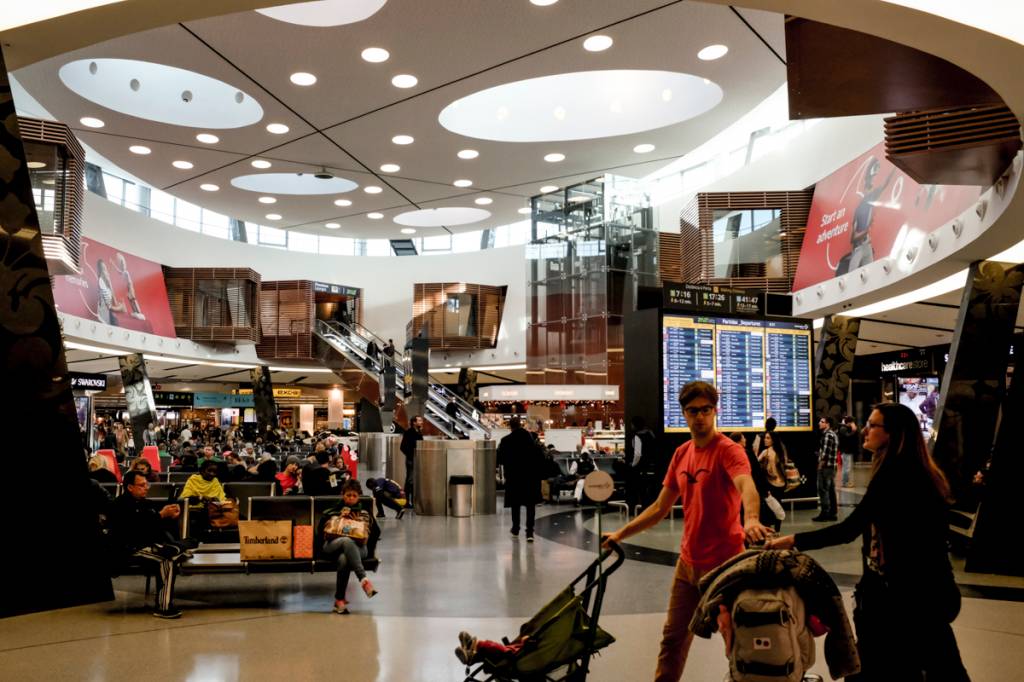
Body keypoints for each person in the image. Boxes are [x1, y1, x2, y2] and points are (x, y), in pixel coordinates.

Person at [766, 403, 969, 680]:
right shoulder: (911, 470)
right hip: (915, 596)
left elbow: (850, 529)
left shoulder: (896, 474)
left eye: (873, 425)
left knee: (897, 667)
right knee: (935, 665)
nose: (864, 429)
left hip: (908, 601)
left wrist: (793, 540)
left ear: (893, 434)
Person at [601, 381, 770, 682]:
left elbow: (746, 485)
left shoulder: (729, 451)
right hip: (687, 566)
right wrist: (619, 535)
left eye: (706, 410)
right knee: (673, 640)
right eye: (693, 411)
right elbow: (658, 508)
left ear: (715, 411)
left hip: (726, 566)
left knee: (737, 643)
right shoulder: (681, 454)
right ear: (684, 414)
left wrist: (752, 519)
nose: (700, 417)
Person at [108, 469, 188, 619]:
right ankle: (164, 607)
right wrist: (160, 515)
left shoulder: (146, 504)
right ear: (130, 487)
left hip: (144, 546)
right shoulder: (119, 506)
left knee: (168, 556)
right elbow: (132, 531)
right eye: (142, 485)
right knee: (166, 559)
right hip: (127, 550)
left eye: (147, 484)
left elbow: (156, 527)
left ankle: (163, 603)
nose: (146, 487)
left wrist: (170, 516)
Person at [318, 480, 379, 614]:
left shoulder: (364, 512)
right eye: (348, 495)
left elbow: (365, 536)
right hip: (332, 545)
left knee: (344, 559)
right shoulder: (334, 509)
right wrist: (340, 518)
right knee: (346, 540)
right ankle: (364, 580)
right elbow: (325, 530)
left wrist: (355, 522)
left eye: (354, 496)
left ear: (358, 496)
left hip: (359, 547)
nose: (351, 498)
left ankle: (339, 600)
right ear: (343, 495)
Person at [497, 416, 544, 541]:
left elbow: (500, 459)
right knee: (530, 505)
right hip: (530, 477)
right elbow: (540, 457)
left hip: (514, 477)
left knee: (515, 504)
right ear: (521, 424)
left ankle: (516, 528)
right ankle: (529, 532)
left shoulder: (505, 441)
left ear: (510, 426)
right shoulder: (531, 439)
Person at [757, 431, 787, 532]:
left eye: (768, 438)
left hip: (774, 484)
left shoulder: (768, 452)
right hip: (778, 483)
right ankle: (776, 531)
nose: (765, 440)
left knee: (773, 509)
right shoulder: (779, 451)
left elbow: (755, 463)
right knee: (776, 508)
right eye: (765, 438)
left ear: (773, 440)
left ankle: (773, 531)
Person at [815, 416, 839, 521]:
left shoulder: (827, 435)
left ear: (827, 424)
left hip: (826, 467)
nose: (819, 423)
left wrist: (820, 466)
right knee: (831, 490)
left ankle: (825, 513)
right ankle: (833, 513)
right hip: (832, 467)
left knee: (822, 489)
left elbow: (825, 454)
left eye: (822, 422)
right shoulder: (833, 434)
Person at [400, 415, 424, 507]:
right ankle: (406, 501)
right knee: (410, 480)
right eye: (419, 420)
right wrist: (411, 455)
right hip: (411, 460)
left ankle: (413, 501)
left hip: (418, 459)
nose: (421, 422)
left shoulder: (419, 432)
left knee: (414, 481)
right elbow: (403, 447)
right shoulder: (409, 432)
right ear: (414, 422)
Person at [838, 415, 859, 488]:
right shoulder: (843, 429)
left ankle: (845, 482)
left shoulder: (846, 428)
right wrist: (853, 431)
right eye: (852, 422)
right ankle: (845, 483)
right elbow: (847, 438)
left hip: (847, 451)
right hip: (845, 451)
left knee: (846, 467)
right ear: (850, 422)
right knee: (847, 468)